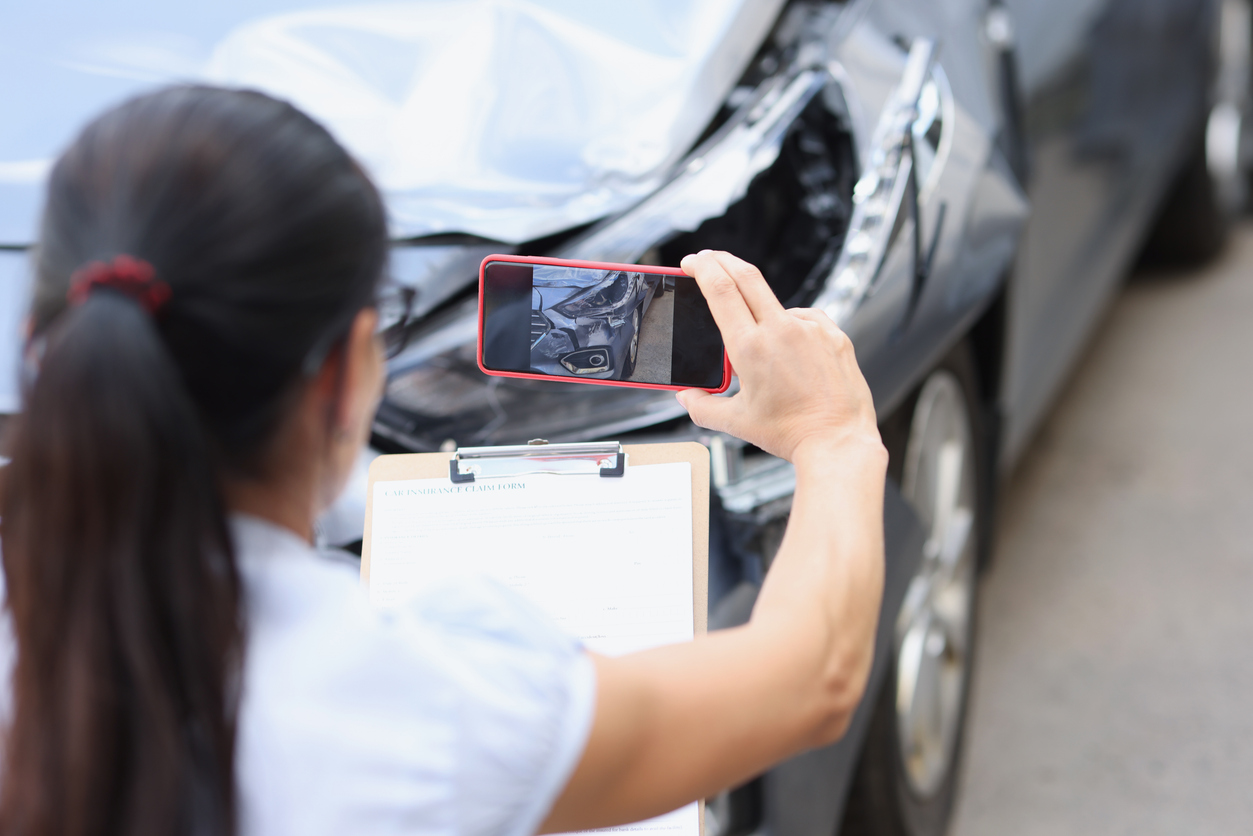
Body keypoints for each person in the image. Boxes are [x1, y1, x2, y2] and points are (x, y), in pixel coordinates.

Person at [0, 86, 887, 836]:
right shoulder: (425, 706)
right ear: (346, 377)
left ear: (45, 346)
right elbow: (809, 677)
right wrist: (833, 437)